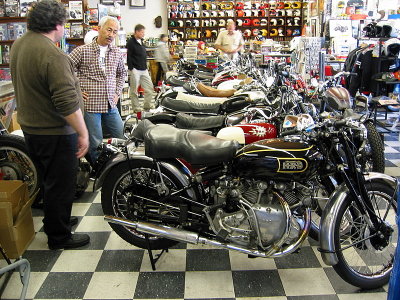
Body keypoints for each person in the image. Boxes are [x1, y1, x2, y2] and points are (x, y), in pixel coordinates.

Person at [10, 0, 90, 250]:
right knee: (61, 184)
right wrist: (83, 132)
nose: (65, 28)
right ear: (57, 24)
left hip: (32, 128)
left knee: (49, 181)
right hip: (54, 131)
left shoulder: (20, 44)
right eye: (64, 24)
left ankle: (58, 219)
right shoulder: (52, 54)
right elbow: (65, 103)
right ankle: (59, 236)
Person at [69, 16, 127, 164]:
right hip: (91, 104)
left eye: (114, 32)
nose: (111, 35)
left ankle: (120, 165)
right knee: (95, 142)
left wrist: (117, 93)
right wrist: (76, 91)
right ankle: (98, 170)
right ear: (99, 29)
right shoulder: (83, 50)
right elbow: (65, 70)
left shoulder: (116, 51)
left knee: (120, 136)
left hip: (110, 103)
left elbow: (122, 73)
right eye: (109, 30)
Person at [127, 24, 154, 112]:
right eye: (142, 32)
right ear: (136, 32)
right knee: (134, 90)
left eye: (143, 32)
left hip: (144, 69)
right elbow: (128, 56)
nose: (143, 34)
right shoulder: (130, 42)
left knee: (149, 88)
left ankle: (147, 105)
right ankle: (136, 108)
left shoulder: (142, 42)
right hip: (135, 69)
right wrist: (131, 68)